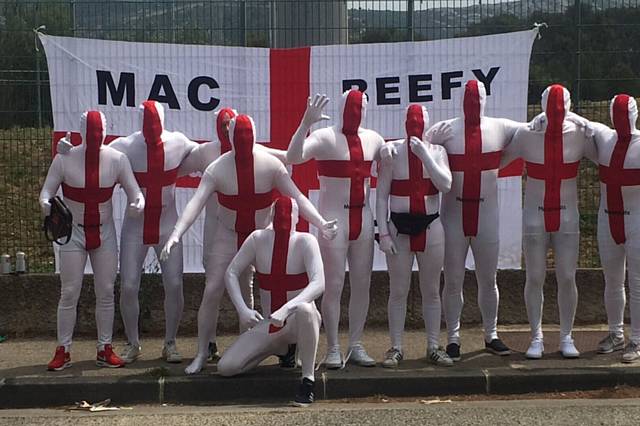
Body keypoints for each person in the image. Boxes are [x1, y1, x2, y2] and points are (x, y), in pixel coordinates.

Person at [160, 114, 337, 375]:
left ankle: (277, 346)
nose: (243, 142)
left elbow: (297, 196)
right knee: (212, 290)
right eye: (238, 136)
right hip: (227, 233)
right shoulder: (217, 168)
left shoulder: (269, 164)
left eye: (248, 136)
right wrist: (176, 233)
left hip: (262, 234)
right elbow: (195, 203)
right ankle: (201, 352)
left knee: (259, 290)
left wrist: (320, 223)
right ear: (230, 138)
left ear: (254, 137)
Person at [425, 80, 531, 361]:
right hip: (454, 215)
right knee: (454, 280)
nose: (474, 104)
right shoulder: (446, 130)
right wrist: (428, 137)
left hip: (485, 215)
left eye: (479, 99)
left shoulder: (500, 127)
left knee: (488, 278)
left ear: (486, 99)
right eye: (470, 99)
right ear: (461, 101)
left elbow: (531, 130)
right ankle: (453, 338)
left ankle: (491, 334)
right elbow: (420, 149)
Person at [178, 107, 287, 362]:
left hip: (248, 226)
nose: (227, 129)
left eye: (231, 125)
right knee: (213, 285)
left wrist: (304, 129)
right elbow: (174, 170)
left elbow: (287, 157)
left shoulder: (258, 154)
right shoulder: (206, 153)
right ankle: (209, 344)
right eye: (223, 124)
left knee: (247, 283)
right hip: (217, 228)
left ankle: (247, 343)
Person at [286, 90, 385, 368]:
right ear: (342, 107)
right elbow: (293, 157)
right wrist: (306, 123)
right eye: (352, 107)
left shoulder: (374, 139)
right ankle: (332, 347)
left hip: (363, 219)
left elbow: (391, 167)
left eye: (361, 107)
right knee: (333, 286)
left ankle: (355, 344)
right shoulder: (326, 137)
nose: (356, 112)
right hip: (333, 221)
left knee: (362, 284)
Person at [40, 111, 145, 370]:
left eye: (99, 132)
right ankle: (63, 348)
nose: (96, 136)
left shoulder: (117, 159)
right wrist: (45, 204)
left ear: (105, 132)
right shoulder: (64, 159)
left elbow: (135, 190)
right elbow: (47, 190)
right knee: (69, 292)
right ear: (83, 132)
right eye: (91, 131)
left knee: (106, 291)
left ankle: (104, 347)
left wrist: (138, 202)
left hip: (103, 231)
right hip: (72, 232)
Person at [501, 84, 594, 359]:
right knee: (535, 277)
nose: (556, 113)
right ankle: (536, 336)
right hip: (534, 216)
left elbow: (610, 146)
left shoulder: (580, 133)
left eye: (562, 108)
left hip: (567, 215)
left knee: (567, 276)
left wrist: (582, 120)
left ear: (569, 107)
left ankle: (567, 335)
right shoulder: (528, 133)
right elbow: (497, 159)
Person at [218, 197, 324, 407]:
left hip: (296, 320)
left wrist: (286, 309)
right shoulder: (258, 239)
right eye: (279, 212)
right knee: (227, 367)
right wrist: (243, 310)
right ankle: (285, 351)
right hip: (270, 324)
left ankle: (307, 380)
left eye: (289, 212)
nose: (283, 217)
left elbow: (319, 282)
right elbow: (231, 272)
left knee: (305, 309)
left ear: (296, 217)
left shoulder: (306, 241)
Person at [376, 104, 453, 367]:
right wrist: (383, 232)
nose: (414, 127)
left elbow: (445, 184)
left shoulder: (437, 151)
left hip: (431, 227)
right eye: (410, 122)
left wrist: (425, 155)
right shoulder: (393, 151)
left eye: (418, 122)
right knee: (398, 290)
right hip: (399, 229)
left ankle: (433, 344)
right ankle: (396, 346)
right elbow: (382, 194)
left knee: (431, 290)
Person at [587, 94, 640, 363]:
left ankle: (638, 340)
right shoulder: (605, 138)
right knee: (613, 280)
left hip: (636, 220)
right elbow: (577, 122)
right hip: (607, 219)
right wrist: (544, 118)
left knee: (637, 282)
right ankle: (616, 333)